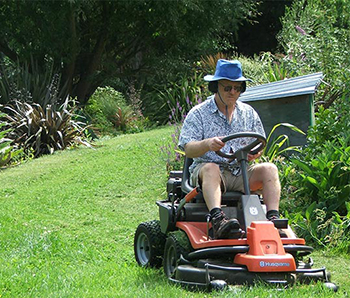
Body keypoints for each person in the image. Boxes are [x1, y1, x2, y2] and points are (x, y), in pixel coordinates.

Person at [178, 59, 281, 239]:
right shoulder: (199, 113)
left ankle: (273, 220)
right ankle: (218, 220)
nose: (232, 92)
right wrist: (207, 144)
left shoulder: (248, 113)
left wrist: (255, 154)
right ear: (216, 87)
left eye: (237, 88)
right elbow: (188, 149)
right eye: (227, 88)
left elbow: (259, 144)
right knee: (211, 168)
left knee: (269, 169)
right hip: (209, 172)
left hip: (240, 171)